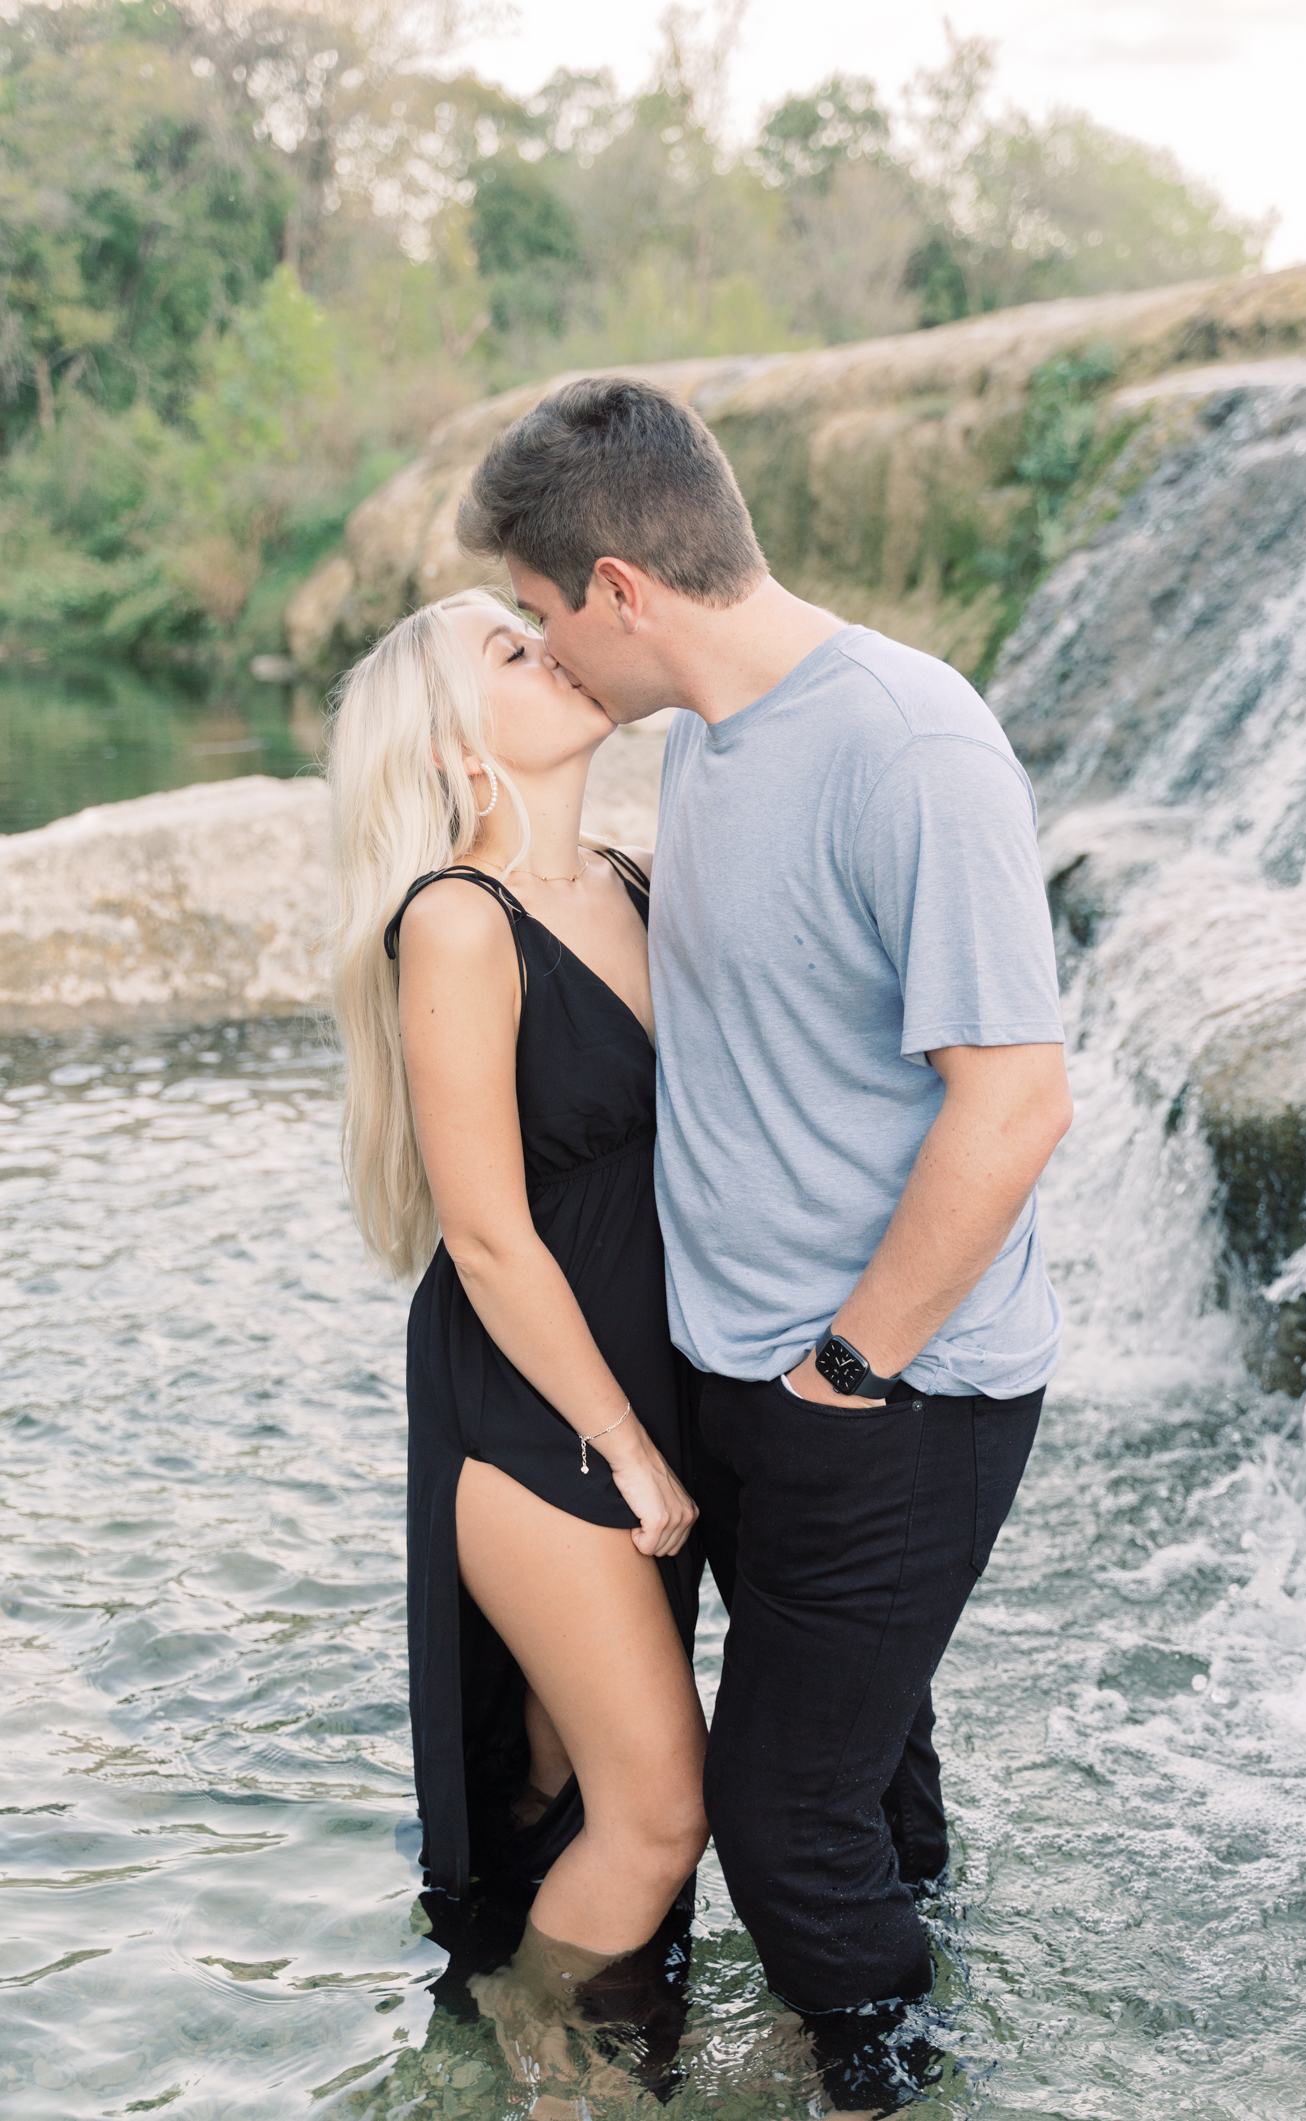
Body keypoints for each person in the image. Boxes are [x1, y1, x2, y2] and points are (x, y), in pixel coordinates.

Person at [458, 378, 1073, 2022]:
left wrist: (846, 1372)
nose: (545, 652)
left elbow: (1014, 1103)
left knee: (782, 1824)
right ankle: (933, 2015)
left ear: (622, 593)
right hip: (738, 1379)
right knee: (864, 1784)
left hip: (890, 1389)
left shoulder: (909, 741)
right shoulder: (713, 745)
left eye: (539, 615)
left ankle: (888, 2083)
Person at [324, 589, 709, 1989]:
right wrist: (625, 1446)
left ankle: (557, 2044)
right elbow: (484, 1235)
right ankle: (526, 2078)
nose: (550, 649)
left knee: (562, 1783)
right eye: (508, 650)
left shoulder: (635, 877)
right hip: (545, 1417)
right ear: (446, 744)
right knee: (660, 1815)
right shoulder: (456, 922)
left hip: (668, 1380)